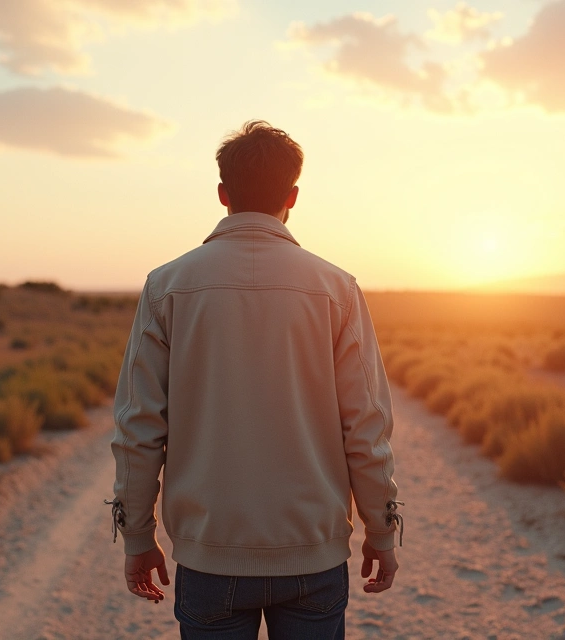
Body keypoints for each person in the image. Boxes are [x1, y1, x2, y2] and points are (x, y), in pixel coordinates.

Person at [106, 120, 403, 639]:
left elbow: (138, 427)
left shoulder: (167, 287)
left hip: (209, 557)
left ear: (223, 194)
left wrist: (137, 536)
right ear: (293, 196)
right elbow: (367, 426)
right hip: (312, 557)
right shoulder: (337, 289)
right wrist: (381, 528)